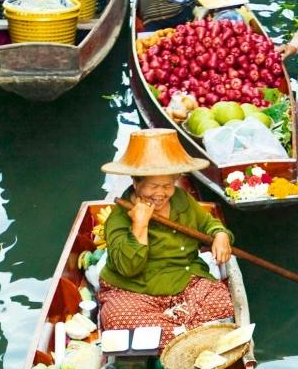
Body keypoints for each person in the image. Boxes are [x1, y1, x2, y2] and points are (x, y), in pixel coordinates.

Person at [98, 129, 238, 342]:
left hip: (185, 280)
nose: (160, 193)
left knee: (221, 301)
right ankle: (186, 333)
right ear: (136, 183)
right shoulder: (118, 218)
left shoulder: (182, 199)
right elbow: (128, 268)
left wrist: (220, 235)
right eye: (153, 186)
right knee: (117, 319)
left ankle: (172, 333)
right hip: (136, 290)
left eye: (167, 185)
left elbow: (208, 223)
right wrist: (139, 225)